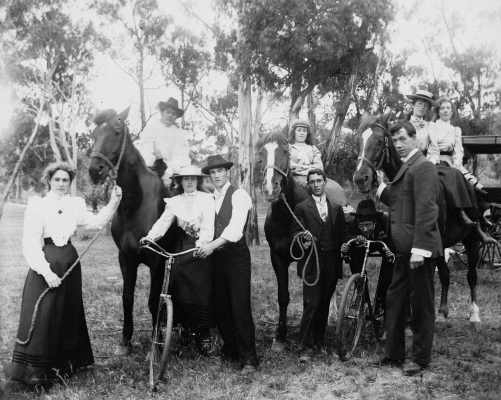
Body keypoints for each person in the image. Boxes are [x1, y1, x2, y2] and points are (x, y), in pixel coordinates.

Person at [5, 162, 122, 391]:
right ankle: (38, 371)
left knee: (67, 310)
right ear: (49, 181)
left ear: (70, 183)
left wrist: (113, 202)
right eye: (57, 179)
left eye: (65, 180)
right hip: (46, 262)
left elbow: (95, 222)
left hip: (69, 261)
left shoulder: (75, 204)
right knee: (43, 313)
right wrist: (46, 272)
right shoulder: (38, 205)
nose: (61, 184)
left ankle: (65, 365)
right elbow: (29, 243)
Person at [375, 120, 442, 375]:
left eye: (403, 139)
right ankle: (394, 354)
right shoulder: (407, 167)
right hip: (404, 251)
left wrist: (420, 249)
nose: (399, 145)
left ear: (415, 138)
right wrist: (379, 187)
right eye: (395, 141)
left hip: (418, 251)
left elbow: (427, 209)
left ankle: (420, 358)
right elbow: (397, 200)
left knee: (421, 305)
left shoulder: (423, 166)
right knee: (395, 300)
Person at [140, 165, 215, 354]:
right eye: (185, 179)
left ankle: (203, 333)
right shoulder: (174, 202)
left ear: (197, 181)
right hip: (182, 247)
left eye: (192, 179)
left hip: (199, 247)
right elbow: (163, 223)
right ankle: (182, 326)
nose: (189, 182)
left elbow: (208, 225)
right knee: (176, 283)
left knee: (200, 289)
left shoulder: (206, 199)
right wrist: (150, 237)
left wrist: (202, 243)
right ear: (180, 182)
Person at [196, 154, 258, 373]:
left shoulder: (239, 195)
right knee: (221, 306)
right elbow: (205, 226)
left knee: (239, 305)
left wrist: (211, 245)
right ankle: (231, 349)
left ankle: (249, 358)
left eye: (220, 171)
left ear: (227, 172)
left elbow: (234, 229)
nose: (217, 175)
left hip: (236, 257)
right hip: (216, 259)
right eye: (213, 172)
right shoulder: (210, 198)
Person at [291, 168, 345, 361]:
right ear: (308, 184)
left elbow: (340, 237)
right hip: (312, 263)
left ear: (325, 182)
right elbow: (294, 234)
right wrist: (302, 240)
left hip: (331, 263)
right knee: (311, 303)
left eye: (319, 181)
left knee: (323, 304)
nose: (316, 184)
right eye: (312, 181)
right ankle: (305, 346)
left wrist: (341, 259)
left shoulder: (336, 208)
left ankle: (318, 341)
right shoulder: (302, 208)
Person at [341, 199, 394, 317]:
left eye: (368, 225)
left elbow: (392, 242)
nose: (364, 229)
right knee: (354, 253)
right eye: (361, 226)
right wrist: (351, 243)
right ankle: (361, 292)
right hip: (361, 244)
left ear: (375, 222)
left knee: (388, 268)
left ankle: (381, 300)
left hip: (381, 242)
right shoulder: (354, 223)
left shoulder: (384, 221)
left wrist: (388, 251)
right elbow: (346, 238)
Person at [289, 119, 347, 206]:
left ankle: (337, 208)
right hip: (293, 179)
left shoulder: (313, 148)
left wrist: (304, 169)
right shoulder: (289, 148)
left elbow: (319, 166)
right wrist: (303, 168)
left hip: (312, 177)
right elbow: (288, 165)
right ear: (294, 132)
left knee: (332, 187)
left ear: (307, 133)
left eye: (304, 131)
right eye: (299, 130)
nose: (301, 133)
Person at [135, 97, 191, 184]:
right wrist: (155, 163)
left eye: (173, 114)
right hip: (152, 167)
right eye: (168, 112)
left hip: (172, 170)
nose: (170, 115)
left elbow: (181, 155)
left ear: (176, 117)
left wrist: (169, 170)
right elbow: (145, 150)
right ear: (162, 112)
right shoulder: (151, 128)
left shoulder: (179, 133)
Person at [407, 89, 434, 154]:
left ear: (427, 109)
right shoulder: (404, 124)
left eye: (426, 105)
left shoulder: (431, 126)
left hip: (424, 160)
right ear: (413, 105)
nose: (422, 107)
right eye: (420, 103)